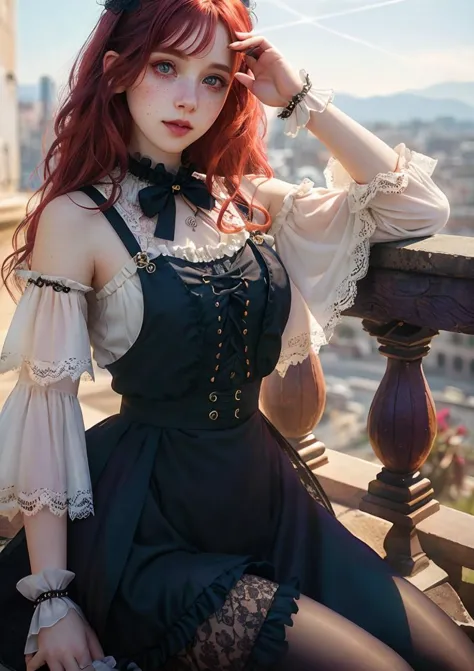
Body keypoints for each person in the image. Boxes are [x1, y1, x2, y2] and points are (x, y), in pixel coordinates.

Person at [0, 1, 473, 670]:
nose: (189, 98)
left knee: (454, 657)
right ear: (117, 72)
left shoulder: (238, 197)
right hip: (151, 529)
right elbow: (47, 407)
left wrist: (299, 97)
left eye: (215, 78)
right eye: (166, 66)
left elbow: (418, 206)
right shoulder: (79, 217)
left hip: (270, 498)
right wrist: (52, 598)